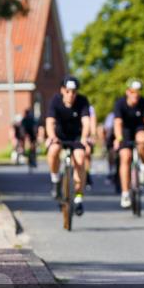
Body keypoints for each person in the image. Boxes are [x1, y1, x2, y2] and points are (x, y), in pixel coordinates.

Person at [44, 76, 92, 216]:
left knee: (80, 158)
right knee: (53, 150)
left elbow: (86, 122)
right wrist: (52, 136)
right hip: (59, 136)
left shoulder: (82, 101)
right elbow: (50, 121)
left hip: (76, 137)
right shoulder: (55, 101)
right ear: (62, 90)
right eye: (68, 91)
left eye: (74, 92)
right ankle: (55, 179)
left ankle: (78, 198)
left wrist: (84, 138)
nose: (71, 95)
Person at [113, 78, 144, 208]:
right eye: (132, 91)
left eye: (138, 92)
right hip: (125, 131)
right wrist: (118, 138)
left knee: (142, 141)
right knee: (125, 157)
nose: (135, 94)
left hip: (139, 128)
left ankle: (143, 166)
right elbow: (118, 123)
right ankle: (125, 193)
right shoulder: (120, 104)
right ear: (127, 92)